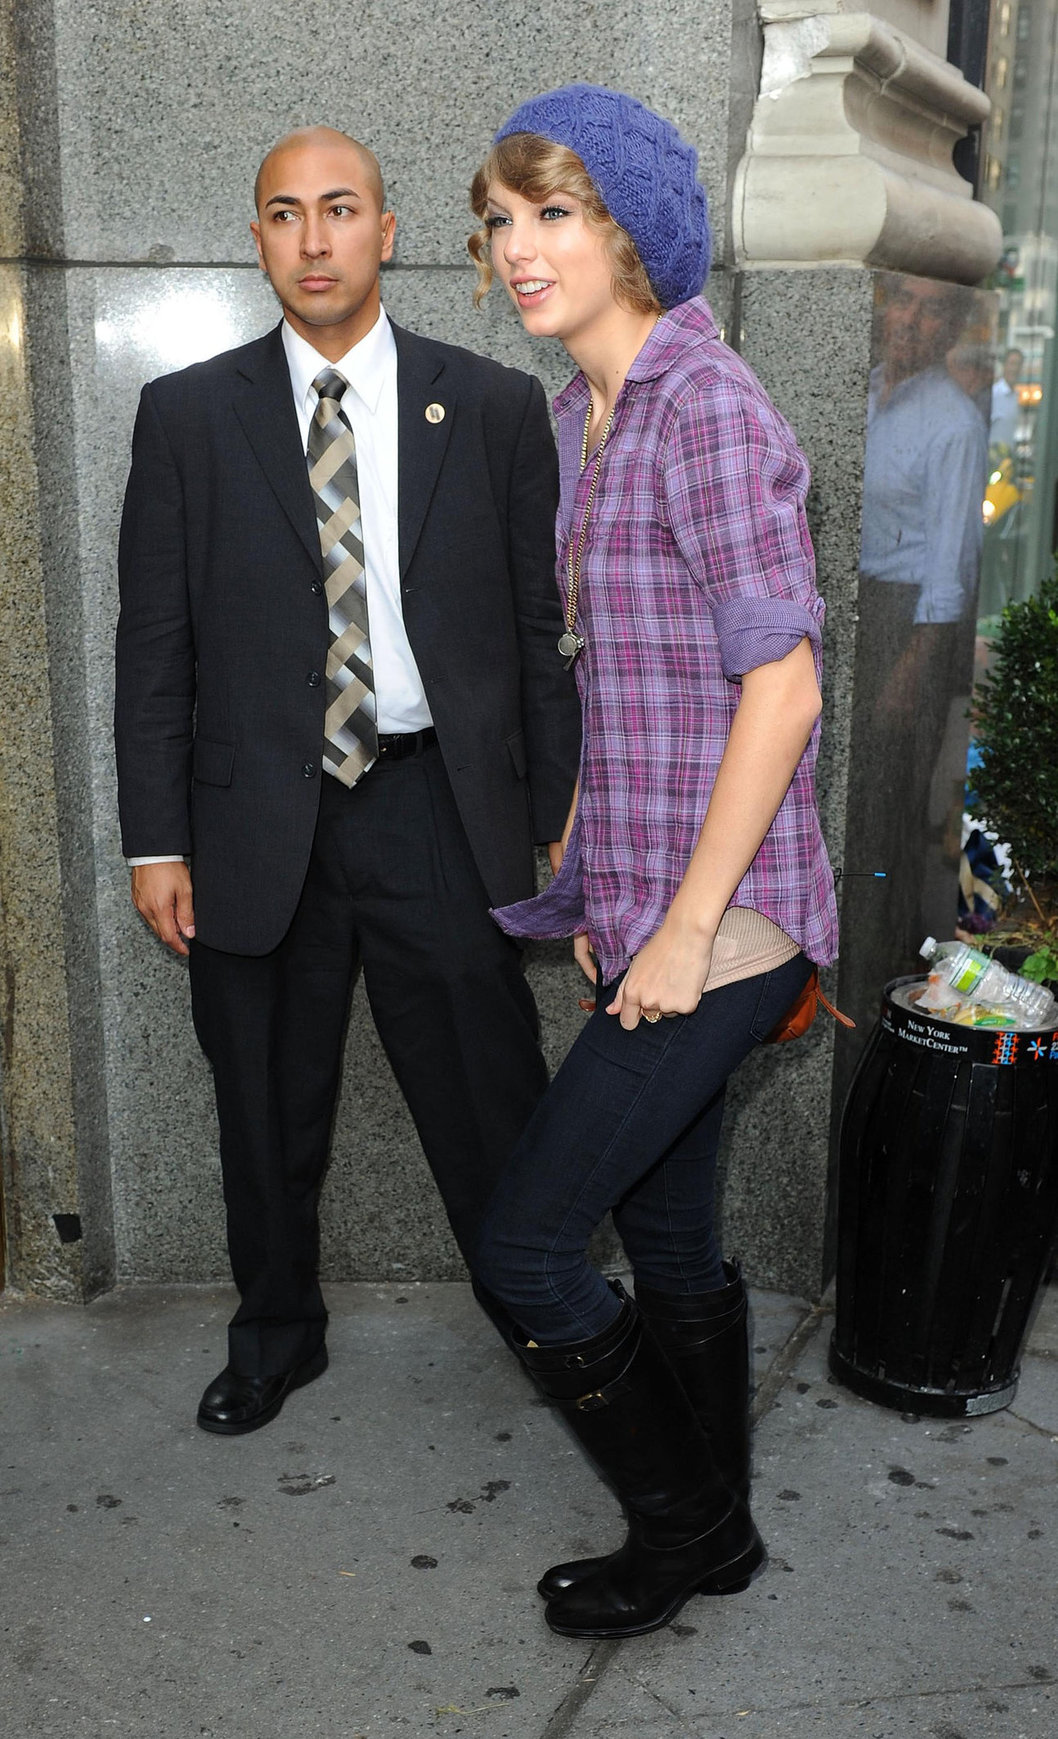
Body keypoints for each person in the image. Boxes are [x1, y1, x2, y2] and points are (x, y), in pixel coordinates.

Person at [115, 126, 579, 1436]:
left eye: (340, 210)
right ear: (257, 238)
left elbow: (543, 641)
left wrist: (554, 823)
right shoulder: (187, 416)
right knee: (262, 1105)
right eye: (283, 213)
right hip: (255, 820)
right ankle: (273, 1332)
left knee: (491, 1095)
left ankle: (543, 1315)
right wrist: (156, 837)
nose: (313, 239)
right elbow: (152, 650)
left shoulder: (490, 409)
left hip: (439, 806)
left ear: (387, 232)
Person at [465, 85, 839, 1640]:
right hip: (644, 894)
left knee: (531, 1251)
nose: (517, 250)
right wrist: (588, 858)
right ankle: (727, 1534)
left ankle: (675, 1530)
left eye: (554, 213)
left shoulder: (705, 403)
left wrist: (683, 931)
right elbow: (633, 666)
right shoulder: (584, 410)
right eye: (497, 220)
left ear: (628, 229)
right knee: (670, 1234)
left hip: (727, 927)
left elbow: (786, 684)